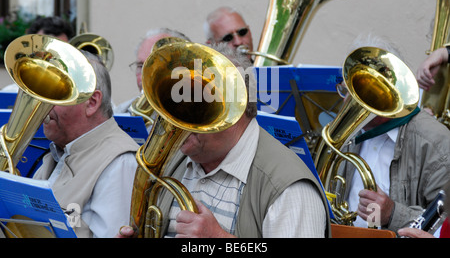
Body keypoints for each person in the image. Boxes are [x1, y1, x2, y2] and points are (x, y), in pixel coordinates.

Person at [118, 42, 330, 238]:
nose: (179, 120)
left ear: (235, 113)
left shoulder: (289, 188)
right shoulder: (174, 159)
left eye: (200, 107)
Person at [340, 34, 450, 234]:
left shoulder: (437, 142)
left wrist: (392, 214)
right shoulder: (348, 132)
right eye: (347, 89)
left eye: (361, 91)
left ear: (389, 93)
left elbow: (445, 226)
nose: (348, 101)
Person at [33, 51, 139, 238]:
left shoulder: (119, 163)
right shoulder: (58, 151)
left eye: (56, 95)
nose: (42, 105)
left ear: (91, 102)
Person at [113, 28, 190, 115]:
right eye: (140, 66)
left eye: (157, 67)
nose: (145, 77)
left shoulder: (203, 116)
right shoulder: (122, 112)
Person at [1, 16, 74, 92]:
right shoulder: (9, 92)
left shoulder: (74, 98)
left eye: (59, 50)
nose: (49, 57)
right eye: (43, 48)